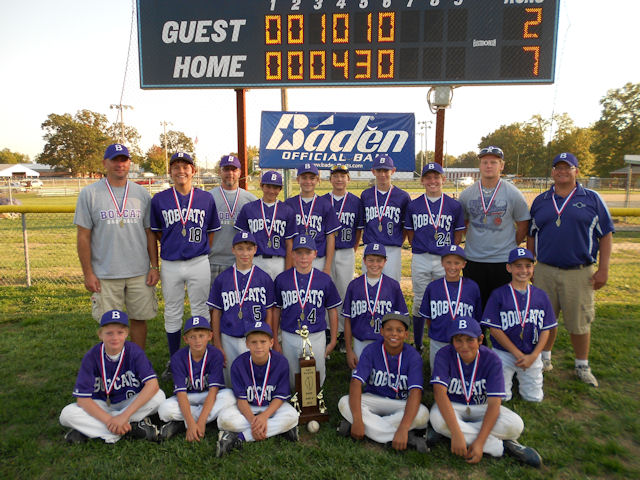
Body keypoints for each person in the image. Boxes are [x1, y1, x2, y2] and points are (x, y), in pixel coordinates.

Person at [527, 152, 614, 387]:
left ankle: (581, 365)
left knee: (579, 321)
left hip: (579, 270)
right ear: (553, 171)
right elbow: (531, 236)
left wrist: (603, 269)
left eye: (568, 167)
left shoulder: (592, 199)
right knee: (545, 319)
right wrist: (530, 264)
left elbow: (605, 235)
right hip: (544, 269)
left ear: (577, 170)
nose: (562, 171)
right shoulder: (541, 200)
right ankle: (545, 359)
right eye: (558, 167)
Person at [74, 143, 159, 349]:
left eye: (124, 160)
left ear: (130, 163)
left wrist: (154, 266)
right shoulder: (90, 193)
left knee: (139, 320)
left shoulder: (141, 193)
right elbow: (83, 236)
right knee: (110, 325)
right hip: (106, 272)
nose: (119, 164)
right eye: (115, 160)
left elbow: (149, 233)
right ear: (105, 163)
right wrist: (88, 273)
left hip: (139, 271)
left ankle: (137, 364)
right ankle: (113, 367)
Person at [429, 317, 542, 467]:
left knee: (515, 425)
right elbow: (440, 394)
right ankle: (503, 446)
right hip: (453, 406)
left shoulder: (492, 359)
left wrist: (479, 442)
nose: (464, 346)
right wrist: (456, 433)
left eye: (470, 339)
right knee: (437, 420)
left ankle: (452, 436)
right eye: (458, 340)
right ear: (452, 341)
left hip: (482, 406)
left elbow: (495, 403)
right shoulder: (444, 354)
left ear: (480, 339)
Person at [150, 152, 221, 377]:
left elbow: (210, 234)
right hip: (171, 262)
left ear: (193, 170)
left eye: (185, 166)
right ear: (170, 171)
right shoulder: (159, 199)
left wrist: (196, 249)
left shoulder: (206, 198)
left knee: (200, 308)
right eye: (176, 166)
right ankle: (174, 360)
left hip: (198, 260)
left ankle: (203, 359)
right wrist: (174, 244)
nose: (181, 170)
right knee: (172, 310)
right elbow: (158, 233)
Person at [59, 310, 165, 443]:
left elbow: (152, 385)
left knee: (159, 397)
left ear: (127, 333)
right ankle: (130, 430)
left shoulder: (134, 351)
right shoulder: (92, 357)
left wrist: (123, 416)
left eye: (120, 332)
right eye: (109, 333)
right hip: (102, 404)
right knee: (66, 414)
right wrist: (109, 420)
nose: (115, 337)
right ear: (100, 335)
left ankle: (95, 430)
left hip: (129, 401)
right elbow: (83, 400)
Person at [337, 312, 428, 452]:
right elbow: (356, 382)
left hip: (401, 402)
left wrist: (403, 427)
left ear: (406, 335)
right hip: (374, 399)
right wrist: (357, 419)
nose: (394, 334)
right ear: (381, 331)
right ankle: (403, 436)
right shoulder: (371, 350)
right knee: (344, 402)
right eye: (389, 329)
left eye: (399, 330)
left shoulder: (413, 356)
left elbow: (415, 392)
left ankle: (372, 430)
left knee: (423, 413)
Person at [458, 146, 530, 309]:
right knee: (476, 306)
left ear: (501, 166)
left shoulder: (513, 193)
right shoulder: (467, 193)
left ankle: (500, 335)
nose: (488, 166)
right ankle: (478, 334)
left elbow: (523, 224)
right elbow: (463, 223)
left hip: (502, 261)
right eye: (485, 162)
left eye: (493, 162)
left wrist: (511, 245)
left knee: (502, 308)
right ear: (480, 166)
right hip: (473, 260)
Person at [481, 248, 557, 402]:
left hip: (531, 352)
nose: (523, 270)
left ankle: (521, 378)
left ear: (533, 268)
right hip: (503, 352)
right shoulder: (498, 294)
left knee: (534, 398)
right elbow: (494, 329)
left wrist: (535, 355)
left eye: (528, 266)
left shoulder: (540, 295)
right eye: (518, 266)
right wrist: (517, 354)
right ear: (509, 268)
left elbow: (546, 330)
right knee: (501, 398)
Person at [216, 321, 299, 457]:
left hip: (272, 407)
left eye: (263, 341)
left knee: (292, 416)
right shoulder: (238, 364)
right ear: (247, 344)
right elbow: (241, 400)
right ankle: (281, 430)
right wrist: (253, 421)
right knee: (223, 419)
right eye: (254, 342)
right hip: (248, 407)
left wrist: (264, 417)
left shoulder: (281, 362)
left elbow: (279, 397)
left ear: (271, 343)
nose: (258, 346)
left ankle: (238, 438)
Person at [405, 163, 465, 352]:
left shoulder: (454, 205)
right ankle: (418, 342)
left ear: (443, 179)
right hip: (421, 256)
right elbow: (410, 232)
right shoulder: (414, 205)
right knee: (420, 300)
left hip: (444, 259)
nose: (432, 181)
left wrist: (451, 252)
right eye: (428, 177)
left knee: (446, 299)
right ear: (422, 181)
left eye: (436, 177)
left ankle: (447, 338)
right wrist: (419, 247)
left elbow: (458, 232)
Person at [272, 235, 342, 389]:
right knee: (292, 377)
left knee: (317, 376)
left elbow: (332, 310)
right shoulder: (282, 279)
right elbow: (276, 310)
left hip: (315, 334)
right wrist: (276, 340)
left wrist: (334, 340)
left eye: (307, 252)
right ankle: (296, 402)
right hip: (290, 334)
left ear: (315, 254)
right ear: (292, 254)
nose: (303, 257)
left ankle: (313, 405)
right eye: (299, 252)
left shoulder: (324, 279)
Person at [207, 231, 276, 385]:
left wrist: (269, 337)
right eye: (240, 248)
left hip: (256, 339)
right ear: (233, 250)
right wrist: (217, 344)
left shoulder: (264, 278)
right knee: (231, 382)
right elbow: (216, 312)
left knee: (256, 381)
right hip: (229, 338)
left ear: (255, 250)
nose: (245, 253)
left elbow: (269, 311)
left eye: (249, 248)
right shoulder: (222, 279)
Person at [158, 316, 236, 441]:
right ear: (185, 339)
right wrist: (190, 423)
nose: (197, 340)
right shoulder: (177, 358)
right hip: (189, 397)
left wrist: (200, 422)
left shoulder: (215, 354)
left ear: (210, 336)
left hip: (210, 396)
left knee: (229, 395)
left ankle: (181, 422)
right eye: (192, 337)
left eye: (201, 335)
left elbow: (213, 391)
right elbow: (181, 394)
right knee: (164, 410)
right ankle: (205, 419)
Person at [342, 243, 408, 369]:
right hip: (359, 341)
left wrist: (398, 347)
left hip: (385, 342)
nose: (374, 264)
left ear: (385, 261)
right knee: (361, 382)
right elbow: (347, 320)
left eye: (379, 261)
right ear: (364, 261)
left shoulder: (393, 286)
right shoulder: (354, 285)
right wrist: (349, 351)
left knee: (383, 381)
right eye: (371, 260)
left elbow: (402, 320)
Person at [322, 164, 365, 352]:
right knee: (324, 291)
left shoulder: (355, 201)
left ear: (349, 179)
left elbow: (358, 230)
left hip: (346, 251)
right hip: (324, 252)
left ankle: (340, 332)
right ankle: (325, 330)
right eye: (335, 176)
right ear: (329, 179)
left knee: (344, 292)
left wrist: (353, 249)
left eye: (343, 176)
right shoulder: (322, 201)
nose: (339, 179)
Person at [418, 245, 482, 367]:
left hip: (464, 341)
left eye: (457, 263)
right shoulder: (433, 287)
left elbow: (476, 318)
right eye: (448, 262)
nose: (452, 267)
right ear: (442, 263)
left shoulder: (472, 287)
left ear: (464, 264)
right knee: (438, 374)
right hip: (439, 340)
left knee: (463, 375)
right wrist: (436, 332)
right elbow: (428, 318)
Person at [235, 170, 297, 280]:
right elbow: (241, 241)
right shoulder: (249, 208)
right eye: (268, 186)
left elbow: (289, 244)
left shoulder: (287, 210)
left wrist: (288, 271)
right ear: (261, 186)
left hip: (279, 261)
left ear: (280, 189)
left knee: (278, 296)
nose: (271, 191)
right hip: (255, 260)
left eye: (275, 187)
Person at [360, 154, 411, 282]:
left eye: (386, 170)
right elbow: (364, 223)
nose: (382, 174)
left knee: (392, 284)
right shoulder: (366, 195)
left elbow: (405, 225)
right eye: (379, 170)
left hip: (392, 248)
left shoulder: (403, 196)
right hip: (370, 246)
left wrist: (397, 240)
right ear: (373, 171)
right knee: (369, 284)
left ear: (393, 171)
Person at [208, 154, 257, 284]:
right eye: (226, 169)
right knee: (213, 303)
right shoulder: (208, 197)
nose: (230, 173)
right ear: (220, 172)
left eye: (234, 169)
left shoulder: (251, 200)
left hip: (241, 262)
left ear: (240, 172)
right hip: (213, 261)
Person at [284, 163, 340, 274]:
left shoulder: (325, 204)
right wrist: (290, 263)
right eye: (304, 178)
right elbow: (287, 238)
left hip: (318, 258)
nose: (308, 181)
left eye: (312, 178)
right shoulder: (289, 204)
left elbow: (330, 237)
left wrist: (327, 267)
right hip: (296, 257)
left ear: (318, 180)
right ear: (297, 179)